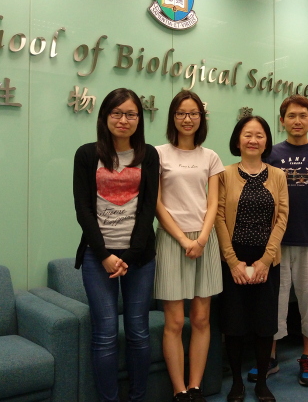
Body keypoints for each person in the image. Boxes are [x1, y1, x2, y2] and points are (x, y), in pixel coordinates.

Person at [73, 89, 160, 402]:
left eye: (131, 114)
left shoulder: (148, 154)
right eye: (117, 113)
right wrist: (105, 255)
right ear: (105, 117)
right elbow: (83, 209)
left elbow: (148, 208)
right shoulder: (86, 155)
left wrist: (131, 255)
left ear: (139, 119)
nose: (124, 120)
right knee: (106, 333)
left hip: (140, 258)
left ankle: (138, 397)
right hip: (98, 259)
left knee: (138, 331)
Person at [254, 95, 308, 387]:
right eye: (291, 116)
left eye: (303, 115)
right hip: (275, 241)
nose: (297, 120)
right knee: (274, 300)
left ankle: (307, 357)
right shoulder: (272, 153)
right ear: (282, 121)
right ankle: (271, 357)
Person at [154, 90, 224, 402]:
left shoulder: (210, 157)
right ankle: (178, 390)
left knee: (201, 318)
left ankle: (195, 387)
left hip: (204, 241)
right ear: (173, 117)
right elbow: (155, 203)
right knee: (174, 321)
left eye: (193, 113)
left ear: (201, 118)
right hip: (171, 240)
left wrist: (203, 238)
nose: (187, 118)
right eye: (181, 113)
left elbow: (213, 203)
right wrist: (183, 239)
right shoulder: (158, 154)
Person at [216, 115, 288, 402]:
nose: (253, 140)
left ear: (266, 141)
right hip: (233, 258)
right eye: (248, 134)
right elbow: (219, 218)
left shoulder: (278, 175)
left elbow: (282, 218)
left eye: (259, 135)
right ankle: (236, 382)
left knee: (264, 324)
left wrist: (265, 261)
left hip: (266, 260)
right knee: (233, 325)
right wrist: (232, 261)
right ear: (237, 140)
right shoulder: (224, 174)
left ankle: (261, 381)